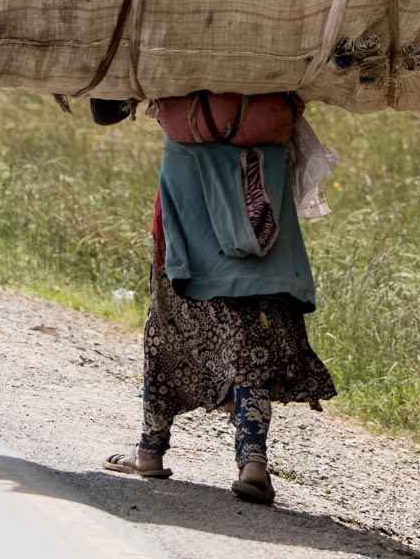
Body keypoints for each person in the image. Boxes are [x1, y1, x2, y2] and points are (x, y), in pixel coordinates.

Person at [96, 95, 336, 505]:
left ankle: (150, 450)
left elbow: (105, 111)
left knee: (169, 323)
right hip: (261, 184)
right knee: (253, 327)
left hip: (188, 192)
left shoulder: (168, 41)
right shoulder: (271, 44)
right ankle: (253, 463)